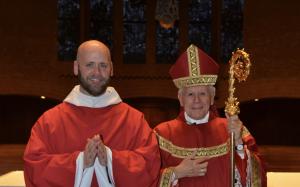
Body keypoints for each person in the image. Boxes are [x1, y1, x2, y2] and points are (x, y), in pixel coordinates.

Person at [23, 40, 160, 187]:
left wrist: (111, 159)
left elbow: (150, 164)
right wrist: (80, 162)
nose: (97, 72)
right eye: (89, 65)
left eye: (103, 65)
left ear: (112, 69)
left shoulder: (134, 120)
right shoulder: (49, 121)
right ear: (76, 67)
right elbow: (34, 166)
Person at [154, 44, 267, 187]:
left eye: (202, 93)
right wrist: (176, 172)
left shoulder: (233, 128)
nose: (196, 100)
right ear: (180, 98)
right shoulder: (162, 134)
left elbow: (258, 175)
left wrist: (238, 144)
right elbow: (146, 176)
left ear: (212, 97)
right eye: (190, 94)